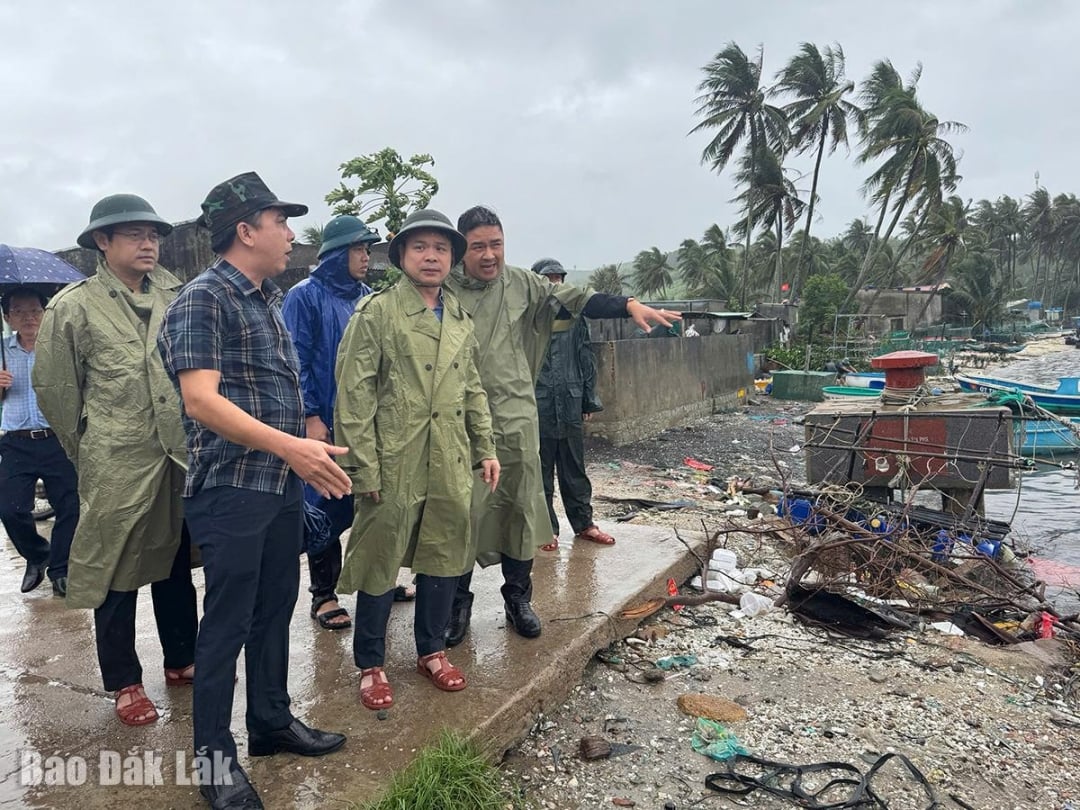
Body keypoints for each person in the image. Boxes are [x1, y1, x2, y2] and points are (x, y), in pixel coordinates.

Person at [158, 172, 349, 810]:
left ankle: (270, 720)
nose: (292, 235)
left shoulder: (266, 298)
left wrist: (301, 450)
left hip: (277, 485)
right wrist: (292, 446)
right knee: (227, 623)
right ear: (246, 230)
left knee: (275, 608)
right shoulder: (203, 299)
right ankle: (214, 760)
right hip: (232, 490)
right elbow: (200, 400)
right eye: (281, 222)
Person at [443, 205, 678, 647]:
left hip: (514, 415)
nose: (489, 255)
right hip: (457, 420)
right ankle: (458, 605)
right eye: (478, 247)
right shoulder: (443, 288)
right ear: (462, 250)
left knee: (519, 507)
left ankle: (518, 600)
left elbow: (577, 298)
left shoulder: (524, 284)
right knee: (460, 515)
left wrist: (627, 305)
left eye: (496, 244)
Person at [33, 194, 198, 729]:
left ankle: (181, 657)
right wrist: (90, 453)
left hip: (175, 452)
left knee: (173, 560)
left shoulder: (177, 294)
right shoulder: (73, 306)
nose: (148, 243)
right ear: (102, 242)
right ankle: (125, 680)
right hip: (115, 459)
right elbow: (58, 392)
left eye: (153, 234)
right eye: (133, 235)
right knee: (116, 569)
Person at [334, 209, 499, 710]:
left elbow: (472, 388)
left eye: (442, 249)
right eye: (420, 247)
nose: (432, 257)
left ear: (453, 258)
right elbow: (354, 393)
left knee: (445, 555)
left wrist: (485, 446)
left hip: (448, 454)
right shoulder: (377, 313)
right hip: (394, 456)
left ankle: (432, 650)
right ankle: (370, 662)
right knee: (380, 559)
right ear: (402, 256)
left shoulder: (460, 319)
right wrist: (362, 466)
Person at [283, 214, 413, 632]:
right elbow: (295, 359)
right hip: (326, 424)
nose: (365, 257)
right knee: (325, 506)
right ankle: (323, 594)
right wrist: (310, 416)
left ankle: (378, 582)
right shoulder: (305, 297)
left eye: (367, 249)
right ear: (337, 254)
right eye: (358, 249)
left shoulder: (369, 297)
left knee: (376, 503)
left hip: (371, 424)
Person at [529, 259, 612, 553]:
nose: (555, 285)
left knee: (575, 468)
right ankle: (545, 529)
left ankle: (584, 524)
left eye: (558, 279)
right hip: (537, 405)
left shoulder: (576, 319)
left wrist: (588, 397)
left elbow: (585, 356)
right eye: (548, 280)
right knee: (539, 471)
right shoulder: (528, 319)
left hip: (571, 401)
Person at [0, 286, 79, 597]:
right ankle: (37, 554)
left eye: (34, 310)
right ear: (8, 317)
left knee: (70, 506)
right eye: (18, 311)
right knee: (9, 508)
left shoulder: (59, 350)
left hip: (57, 438)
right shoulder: (2, 353)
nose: (28, 317)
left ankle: (61, 568)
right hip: (16, 442)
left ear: (45, 314)